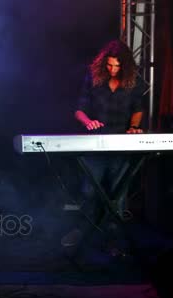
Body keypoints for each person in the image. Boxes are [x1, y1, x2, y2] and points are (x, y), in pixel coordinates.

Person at [62, 39, 146, 249]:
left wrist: (134, 127)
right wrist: (88, 122)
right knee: (89, 192)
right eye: (109, 65)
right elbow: (79, 109)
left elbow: (138, 108)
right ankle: (84, 234)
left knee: (118, 197)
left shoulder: (132, 81)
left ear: (124, 65)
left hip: (121, 147)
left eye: (117, 66)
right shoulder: (93, 78)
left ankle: (114, 241)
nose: (113, 69)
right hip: (95, 145)